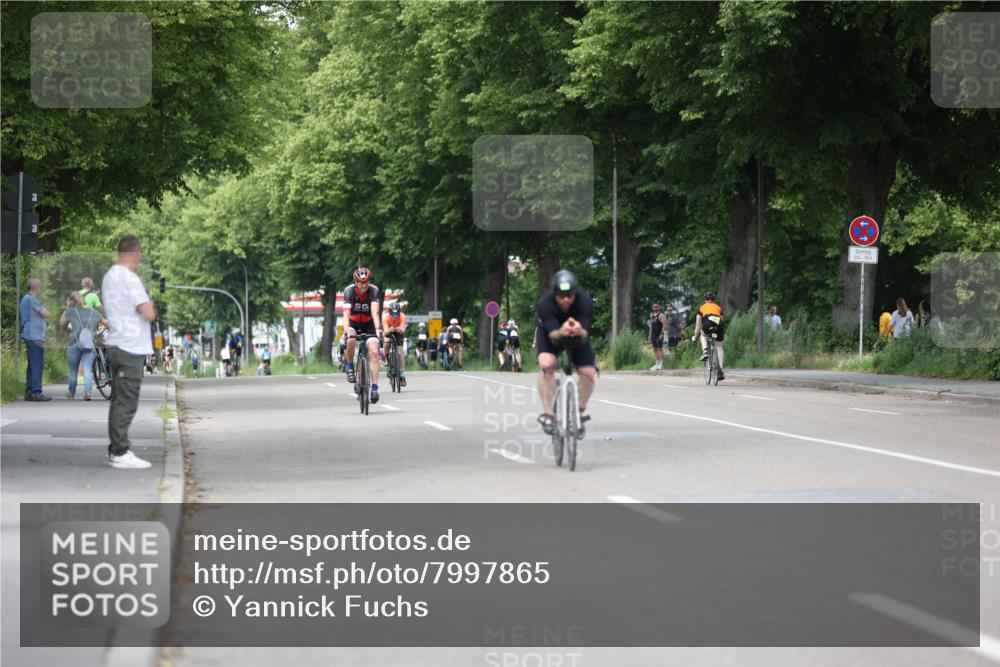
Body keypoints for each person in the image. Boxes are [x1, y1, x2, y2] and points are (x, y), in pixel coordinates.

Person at [102, 235, 157, 469]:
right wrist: (152, 305)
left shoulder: (109, 276)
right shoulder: (130, 279)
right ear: (137, 253)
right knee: (126, 401)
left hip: (117, 344)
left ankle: (117, 449)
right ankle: (120, 451)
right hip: (129, 346)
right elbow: (149, 312)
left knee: (118, 400)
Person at [535, 269, 597, 437]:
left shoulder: (584, 301)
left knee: (589, 373)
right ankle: (549, 415)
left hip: (577, 339)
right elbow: (553, 334)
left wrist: (578, 330)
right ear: (554, 294)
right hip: (552, 335)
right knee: (546, 366)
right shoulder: (545, 303)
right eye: (561, 296)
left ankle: (577, 412)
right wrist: (562, 330)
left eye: (570, 295)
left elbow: (584, 332)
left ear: (575, 293)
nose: (566, 299)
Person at [342, 266, 383, 403]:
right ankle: (349, 366)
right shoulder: (349, 291)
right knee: (351, 340)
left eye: (366, 282)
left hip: (369, 324)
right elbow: (346, 313)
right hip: (353, 324)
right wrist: (347, 329)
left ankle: (375, 389)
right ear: (356, 282)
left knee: (374, 353)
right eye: (361, 282)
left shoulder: (373, 290)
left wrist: (378, 329)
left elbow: (374, 312)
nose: (364, 285)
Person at [60, 291, 107, 400]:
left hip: (74, 345)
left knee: (73, 371)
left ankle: (71, 394)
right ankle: (87, 393)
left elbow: (62, 322)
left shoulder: (71, 312)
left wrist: (67, 308)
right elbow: (106, 323)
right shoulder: (93, 312)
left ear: (71, 302)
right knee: (87, 369)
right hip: (89, 345)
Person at [19, 277, 52, 401]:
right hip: (34, 336)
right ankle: (37, 392)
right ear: (35, 287)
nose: (41, 289)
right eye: (40, 286)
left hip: (30, 335)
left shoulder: (25, 299)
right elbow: (46, 313)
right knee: (37, 364)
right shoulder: (32, 299)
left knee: (32, 364)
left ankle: (29, 392)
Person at [693, 291, 725, 381]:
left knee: (703, 335)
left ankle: (705, 351)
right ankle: (721, 369)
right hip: (719, 324)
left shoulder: (702, 308)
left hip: (708, 322)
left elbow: (698, 324)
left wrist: (695, 336)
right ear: (714, 299)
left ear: (705, 299)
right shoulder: (718, 307)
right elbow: (722, 319)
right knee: (719, 346)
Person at [383, 302, 407, 387]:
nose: (395, 315)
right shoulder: (385, 317)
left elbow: (403, 329)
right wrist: (390, 330)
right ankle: (386, 356)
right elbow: (386, 331)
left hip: (398, 332)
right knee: (387, 340)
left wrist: (399, 329)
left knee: (400, 353)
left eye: (397, 313)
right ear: (389, 312)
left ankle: (402, 376)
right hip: (389, 331)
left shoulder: (403, 316)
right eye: (393, 313)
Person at [648, 303, 667, 370]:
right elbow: (651, 326)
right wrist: (649, 335)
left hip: (659, 335)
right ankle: (657, 363)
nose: (655, 308)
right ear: (652, 308)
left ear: (659, 308)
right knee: (655, 349)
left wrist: (662, 334)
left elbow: (664, 324)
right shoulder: (652, 316)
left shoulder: (661, 315)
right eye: (654, 307)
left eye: (656, 307)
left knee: (659, 349)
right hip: (653, 335)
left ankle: (661, 364)